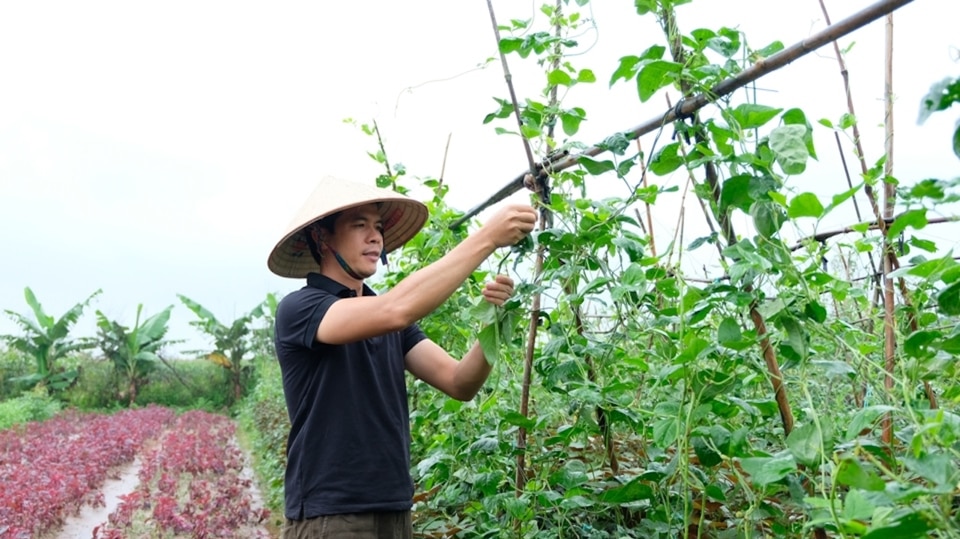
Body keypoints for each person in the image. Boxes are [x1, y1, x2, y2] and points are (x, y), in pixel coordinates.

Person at [267, 175, 537, 539]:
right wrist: (486, 238)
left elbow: (460, 383)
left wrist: (493, 322)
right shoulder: (302, 309)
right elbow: (395, 309)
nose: (374, 236)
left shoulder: (389, 322)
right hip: (331, 514)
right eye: (358, 225)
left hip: (394, 508)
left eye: (377, 226)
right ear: (322, 237)